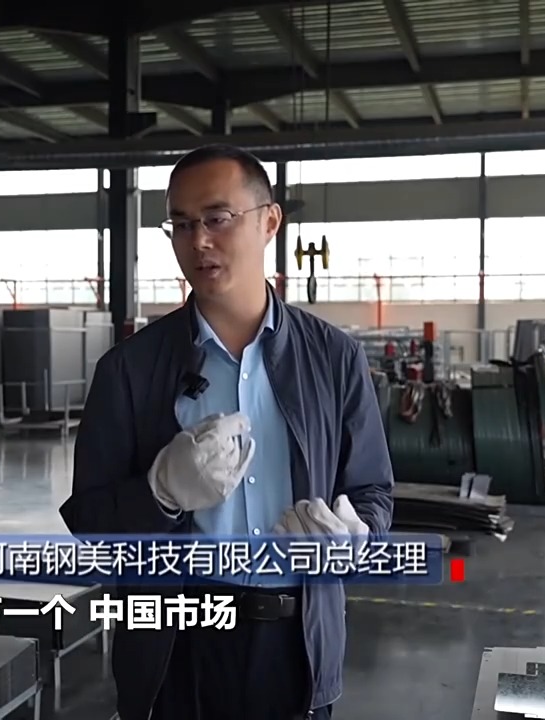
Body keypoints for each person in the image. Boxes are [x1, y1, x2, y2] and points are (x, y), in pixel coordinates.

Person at [60, 145, 394, 720]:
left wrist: (354, 536)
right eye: (182, 225)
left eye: (217, 218)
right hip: (175, 651)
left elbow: (373, 491)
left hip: (296, 647)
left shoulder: (333, 358)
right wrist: (159, 496)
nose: (199, 241)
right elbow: (90, 524)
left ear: (269, 222)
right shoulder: (130, 370)